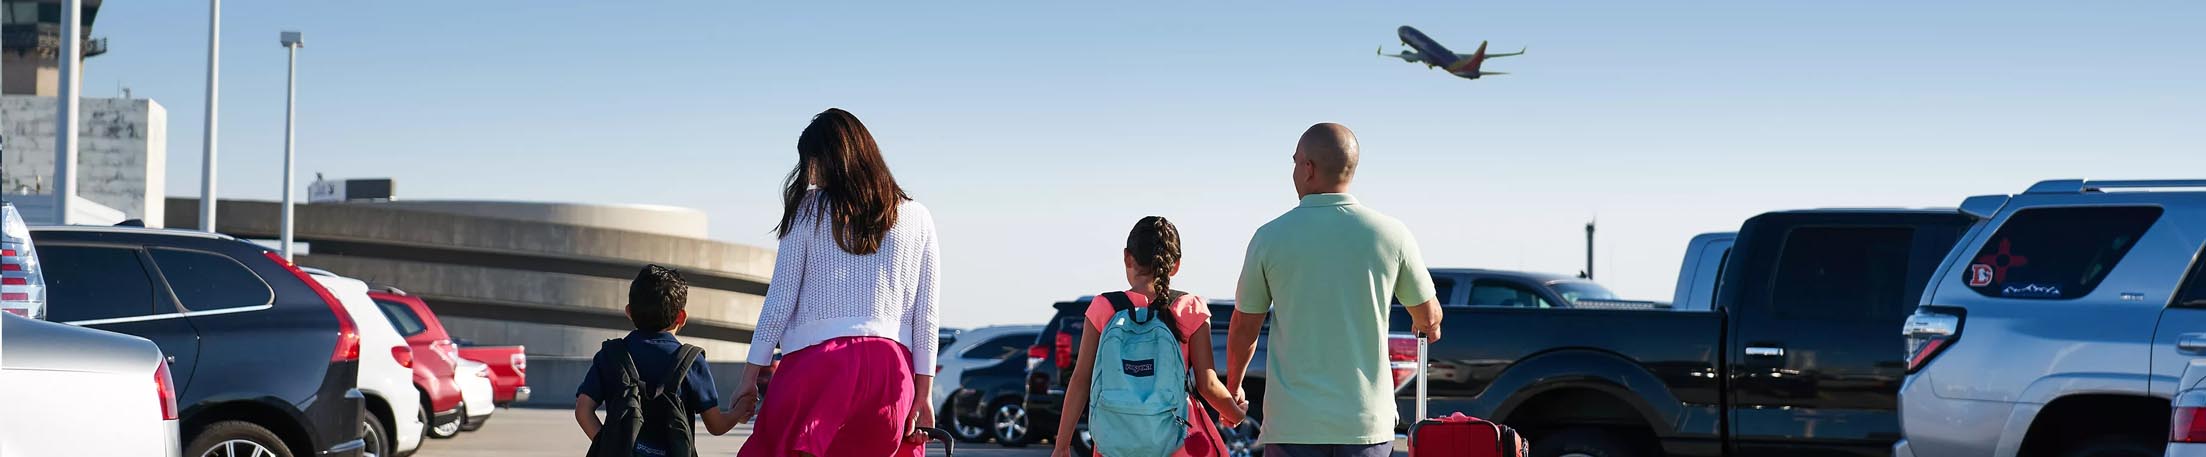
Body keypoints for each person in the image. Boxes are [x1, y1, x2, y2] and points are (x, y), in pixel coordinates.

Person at [1223, 123, 1445, 457]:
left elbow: (1244, 328)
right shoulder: (1392, 234)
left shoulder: (1269, 237)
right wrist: (1427, 323)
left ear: (1308, 169)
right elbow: (1428, 317)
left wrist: (1234, 389)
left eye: (1295, 162)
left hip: (1293, 427)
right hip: (1366, 424)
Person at [734, 108, 942, 457]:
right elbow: (927, 317)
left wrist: (749, 378)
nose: (810, 176)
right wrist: (925, 393)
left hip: (819, 366)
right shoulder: (918, 216)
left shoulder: (809, 208)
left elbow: (780, 300)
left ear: (831, 158)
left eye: (811, 162)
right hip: (892, 372)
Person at [1052, 216, 1249, 457]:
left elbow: (1080, 380)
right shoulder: (1190, 308)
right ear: (1175, 265)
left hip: (1116, 440)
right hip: (1176, 439)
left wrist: (1061, 445)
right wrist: (1234, 413)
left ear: (1127, 257)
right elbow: (1207, 385)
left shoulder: (1103, 307)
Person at [574, 265, 742, 455]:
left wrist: (609, 444)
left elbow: (583, 410)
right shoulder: (691, 362)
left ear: (629, 312)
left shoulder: (611, 355)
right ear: (682, 317)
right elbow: (716, 425)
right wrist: (738, 412)